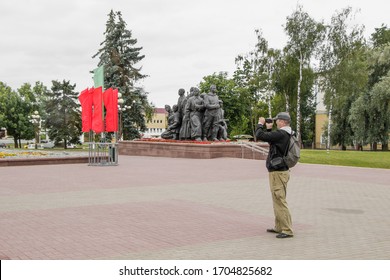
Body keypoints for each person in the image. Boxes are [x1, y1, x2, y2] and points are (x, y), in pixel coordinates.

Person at [255, 112, 294, 238]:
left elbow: (260, 135)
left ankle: (287, 229)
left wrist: (260, 124)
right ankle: (279, 226)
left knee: (280, 200)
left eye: (277, 120)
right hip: (279, 171)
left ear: (282, 121)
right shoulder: (286, 134)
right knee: (277, 200)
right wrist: (269, 128)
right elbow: (272, 142)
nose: (276, 122)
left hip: (278, 172)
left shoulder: (282, 133)